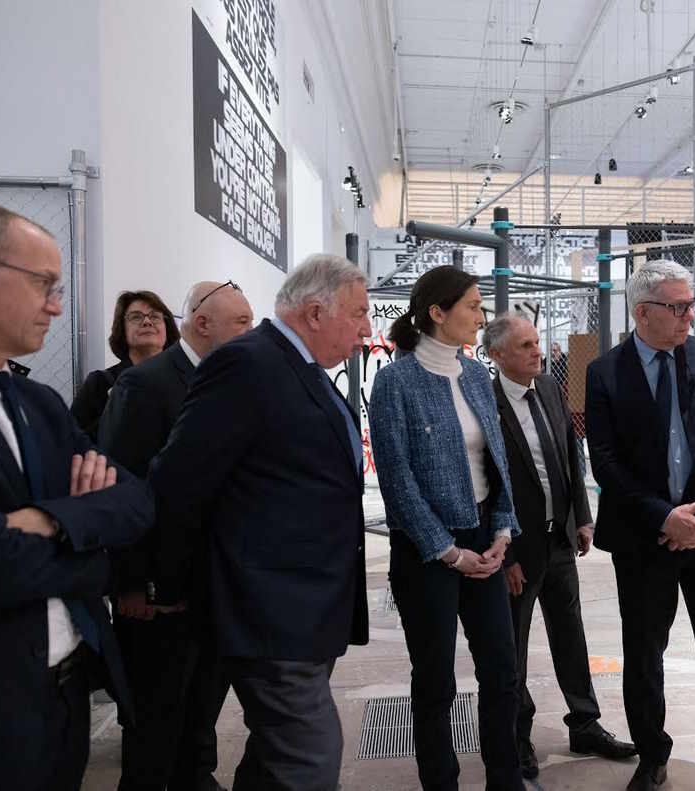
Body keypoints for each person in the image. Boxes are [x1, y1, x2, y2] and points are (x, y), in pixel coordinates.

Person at [0, 201, 153, 790]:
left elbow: (136, 502)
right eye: (44, 284)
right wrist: (92, 544)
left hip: (65, 692)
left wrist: (47, 521)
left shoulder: (36, 402)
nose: (57, 305)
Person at [147, 255, 370, 791]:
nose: (366, 329)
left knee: (276, 759)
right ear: (314, 313)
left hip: (307, 608)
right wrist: (170, 583)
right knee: (310, 759)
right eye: (358, 313)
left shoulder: (303, 369)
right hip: (268, 608)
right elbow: (179, 480)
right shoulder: (248, 364)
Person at [585, 259, 695, 791]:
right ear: (642, 313)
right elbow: (605, 460)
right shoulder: (605, 372)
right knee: (643, 654)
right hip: (643, 537)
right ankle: (652, 756)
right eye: (677, 307)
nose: (689, 316)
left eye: (691, 305)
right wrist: (663, 516)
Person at [368, 266, 523, 791]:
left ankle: (505, 779)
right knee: (435, 682)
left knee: (501, 671)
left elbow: (496, 462)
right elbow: (397, 481)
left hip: (484, 539)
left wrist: (502, 531)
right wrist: (448, 551)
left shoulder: (476, 375)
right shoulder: (394, 382)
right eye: (473, 306)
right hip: (426, 552)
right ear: (437, 312)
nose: (481, 316)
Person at [99, 280, 253, 791]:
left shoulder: (231, 380)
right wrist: (131, 584)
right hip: (158, 594)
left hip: (216, 585)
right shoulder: (145, 385)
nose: (250, 333)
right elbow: (122, 487)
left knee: (200, 724)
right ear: (202, 323)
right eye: (242, 323)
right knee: (153, 730)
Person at [483, 315, 637, 780]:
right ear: (497, 355)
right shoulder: (486, 403)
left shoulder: (549, 387)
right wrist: (506, 555)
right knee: (514, 646)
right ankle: (517, 734)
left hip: (559, 541)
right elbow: (487, 484)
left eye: (537, 342)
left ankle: (585, 724)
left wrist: (581, 517)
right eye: (525, 346)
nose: (537, 351)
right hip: (518, 548)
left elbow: (571, 453)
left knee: (571, 635)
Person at [71, 289, 179, 437]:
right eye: (136, 317)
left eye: (155, 316)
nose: (147, 322)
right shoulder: (99, 383)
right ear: (122, 329)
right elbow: (73, 440)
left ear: (167, 327)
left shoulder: (186, 381)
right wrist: (115, 408)